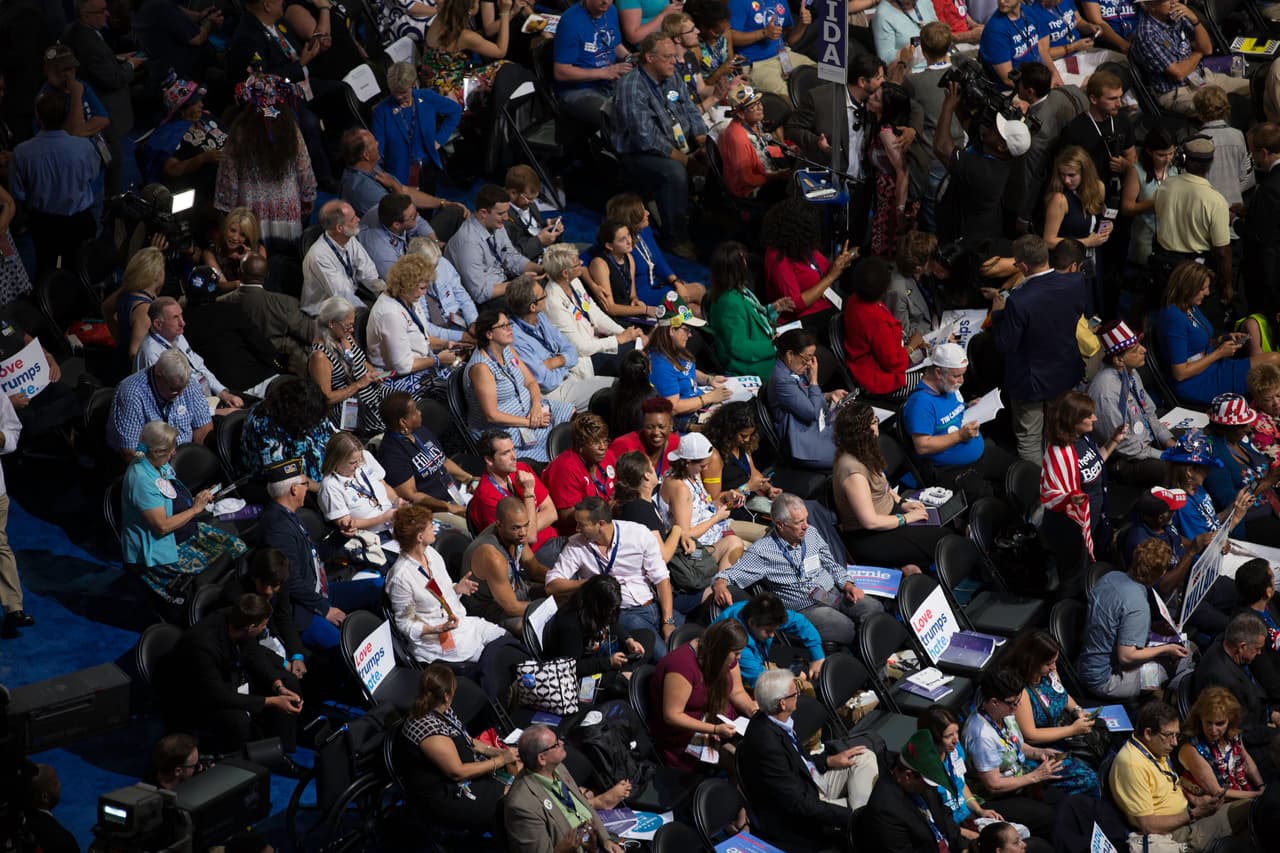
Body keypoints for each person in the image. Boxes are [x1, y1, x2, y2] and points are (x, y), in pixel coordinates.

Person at [711, 492, 883, 646]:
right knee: (845, 627)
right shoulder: (763, 551)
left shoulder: (811, 533)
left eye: (806, 519)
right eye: (799, 522)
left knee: (873, 608)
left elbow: (831, 564)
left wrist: (848, 585)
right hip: (805, 608)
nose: (806, 526)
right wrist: (719, 584)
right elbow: (730, 575)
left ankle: (875, 657)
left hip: (830, 594)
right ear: (780, 525)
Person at [738, 667, 875, 848]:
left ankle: (861, 821)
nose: (798, 694)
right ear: (782, 703)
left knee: (864, 756)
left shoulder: (775, 718)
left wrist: (828, 761)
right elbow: (798, 804)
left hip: (812, 779)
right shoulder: (766, 744)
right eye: (794, 692)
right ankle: (861, 823)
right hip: (805, 803)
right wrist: (848, 816)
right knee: (868, 811)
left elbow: (797, 760)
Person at [259, 458, 384, 651]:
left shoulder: (288, 515)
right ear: (294, 490)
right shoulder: (278, 528)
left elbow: (314, 555)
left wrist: (341, 535)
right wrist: (324, 608)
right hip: (304, 609)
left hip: (320, 590)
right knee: (349, 651)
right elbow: (289, 580)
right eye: (305, 484)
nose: (307, 488)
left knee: (379, 587)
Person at [158, 593, 303, 753]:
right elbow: (218, 695)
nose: (264, 629)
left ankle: (282, 751)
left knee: (288, 681)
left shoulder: (239, 619)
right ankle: (240, 761)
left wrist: (278, 687)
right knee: (238, 720)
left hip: (228, 676)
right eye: (263, 625)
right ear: (251, 627)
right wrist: (272, 701)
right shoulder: (203, 646)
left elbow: (254, 654)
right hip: (194, 697)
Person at [991, 235, 1089, 463]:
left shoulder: (1019, 300)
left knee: (1030, 439)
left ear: (1024, 266)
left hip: (1029, 383)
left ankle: (1037, 485)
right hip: (1064, 373)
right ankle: (1061, 477)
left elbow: (1005, 344)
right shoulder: (1075, 281)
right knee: (1059, 433)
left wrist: (998, 314)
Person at [609, 33, 708, 258]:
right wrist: (686, 160)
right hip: (638, 153)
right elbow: (646, 138)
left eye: (674, 56)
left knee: (714, 152)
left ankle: (704, 218)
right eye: (667, 57)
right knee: (675, 172)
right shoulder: (632, 86)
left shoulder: (672, 75)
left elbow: (690, 108)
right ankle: (675, 237)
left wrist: (702, 142)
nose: (674, 61)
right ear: (650, 58)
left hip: (676, 142)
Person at [546, 496, 685, 655]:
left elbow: (661, 578)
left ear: (600, 524)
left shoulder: (638, 534)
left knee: (692, 644)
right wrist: (591, 583)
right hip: (623, 613)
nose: (577, 529)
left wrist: (668, 620)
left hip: (654, 606)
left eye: (581, 524)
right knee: (665, 655)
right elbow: (551, 586)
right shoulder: (576, 546)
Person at [1109, 701, 1251, 851]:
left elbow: (1170, 783)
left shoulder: (1155, 747)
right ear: (1148, 733)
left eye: (1176, 735)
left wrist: (1195, 799)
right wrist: (1194, 813)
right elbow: (1148, 825)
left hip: (1188, 815)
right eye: (1169, 735)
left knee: (1252, 808)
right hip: (1173, 834)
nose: (1175, 743)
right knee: (1250, 812)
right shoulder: (1132, 764)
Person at [398, 664, 518, 833]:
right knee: (516, 799)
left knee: (520, 777)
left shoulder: (442, 709)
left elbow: (468, 740)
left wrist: (497, 752)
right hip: (447, 794)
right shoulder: (428, 730)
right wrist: (499, 761)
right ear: (446, 695)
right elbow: (457, 772)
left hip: (466, 776)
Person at [785, 53, 885, 247]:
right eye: (879, 78)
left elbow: (911, 106)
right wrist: (816, 143)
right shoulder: (820, 98)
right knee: (821, 243)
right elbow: (792, 129)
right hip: (823, 185)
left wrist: (912, 131)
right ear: (862, 82)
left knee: (854, 243)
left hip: (859, 187)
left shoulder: (877, 101)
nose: (883, 82)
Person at [831, 402, 948, 568]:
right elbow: (870, 522)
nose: (877, 425)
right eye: (873, 422)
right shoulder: (853, 472)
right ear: (861, 431)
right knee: (942, 541)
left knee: (943, 523)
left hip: (890, 514)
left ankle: (908, 566)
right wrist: (906, 518)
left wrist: (902, 502)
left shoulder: (864, 448)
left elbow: (883, 484)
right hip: (872, 535)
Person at [387, 506, 505, 665]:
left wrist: (457, 589)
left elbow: (440, 594)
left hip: (462, 623)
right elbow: (404, 623)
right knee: (495, 659)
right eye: (431, 527)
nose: (434, 529)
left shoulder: (431, 554)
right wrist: (437, 629)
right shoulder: (400, 578)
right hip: (437, 640)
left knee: (506, 639)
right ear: (420, 537)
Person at [1078, 538, 1191, 699]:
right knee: (1171, 664)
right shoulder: (1138, 605)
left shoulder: (1110, 577)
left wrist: (1152, 627)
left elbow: (1116, 621)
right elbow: (1126, 656)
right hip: (1105, 680)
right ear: (1160, 573)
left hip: (1086, 664)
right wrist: (1166, 648)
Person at [903, 342, 1015, 501]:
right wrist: (960, 436)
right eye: (956, 376)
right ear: (938, 372)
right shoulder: (920, 403)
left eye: (963, 374)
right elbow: (922, 446)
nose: (961, 380)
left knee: (1021, 471)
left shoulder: (947, 386)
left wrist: (967, 406)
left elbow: (949, 412)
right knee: (990, 503)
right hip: (953, 469)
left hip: (980, 453)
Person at [214, 73, 316, 246]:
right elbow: (303, 164)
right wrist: (307, 195)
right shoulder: (289, 127)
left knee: (255, 254)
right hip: (285, 207)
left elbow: (228, 173)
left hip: (252, 209)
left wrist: (227, 208)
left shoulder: (239, 131)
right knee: (287, 254)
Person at [1157, 262, 1280, 405]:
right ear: (1188, 288)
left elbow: (1196, 345)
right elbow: (1180, 373)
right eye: (1203, 289)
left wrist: (1222, 340)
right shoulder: (1173, 318)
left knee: (1274, 360)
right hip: (1198, 383)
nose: (1207, 293)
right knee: (1274, 359)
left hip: (1215, 367)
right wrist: (1219, 353)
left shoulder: (1191, 307)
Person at [960, 669, 1064, 838]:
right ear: (994, 702)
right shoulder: (981, 736)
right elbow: (993, 785)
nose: (1017, 707)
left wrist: (1039, 752)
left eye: (1018, 701)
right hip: (993, 798)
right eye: (1012, 703)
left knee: (1063, 801)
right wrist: (1035, 777)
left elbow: (1015, 745)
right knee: (1048, 818)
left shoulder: (1005, 713)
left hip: (1019, 779)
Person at [463, 311, 573, 462]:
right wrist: (530, 422)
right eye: (503, 326)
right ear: (489, 334)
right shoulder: (481, 367)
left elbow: (531, 382)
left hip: (530, 411)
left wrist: (536, 406)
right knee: (549, 457)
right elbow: (492, 415)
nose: (510, 328)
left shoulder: (507, 349)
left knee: (575, 418)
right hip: (505, 428)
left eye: (509, 323)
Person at [9, 89, 99, 273]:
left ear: (38, 116)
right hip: (79, 222)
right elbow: (92, 176)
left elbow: (18, 193)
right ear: (66, 115)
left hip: (43, 224)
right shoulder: (84, 147)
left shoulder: (21, 153)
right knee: (80, 271)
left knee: (46, 268)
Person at [648, 616, 756, 768]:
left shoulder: (724, 658)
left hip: (720, 720)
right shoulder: (681, 666)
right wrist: (715, 729)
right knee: (742, 761)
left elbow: (737, 692)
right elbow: (672, 716)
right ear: (721, 650)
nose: (739, 658)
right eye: (736, 653)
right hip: (687, 734)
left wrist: (753, 711)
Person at [1003, 630, 1101, 796]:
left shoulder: (1049, 672)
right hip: (1038, 751)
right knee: (1089, 779)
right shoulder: (1021, 691)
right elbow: (1031, 735)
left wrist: (1077, 710)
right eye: (1049, 663)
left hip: (1064, 733)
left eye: (1055, 662)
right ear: (1032, 662)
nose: (1054, 667)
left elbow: (1062, 694)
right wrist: (1072, 730)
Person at [1040, 390, 1123, 583]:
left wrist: (1114, 440)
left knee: (1089, 571)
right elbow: (1050, 494)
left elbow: (1094, 465)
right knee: (1074, 579)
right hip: (1072, 531)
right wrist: (1069, 498)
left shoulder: (1081, 438)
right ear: (1073, 420)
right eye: (1088, 415)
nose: (1095, 418)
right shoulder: (1059, 454)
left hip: (1093, 519)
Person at [933, 81, 1031, 244]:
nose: (991, 127)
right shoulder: (995, 151)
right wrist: (959, 96)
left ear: (1002, 146)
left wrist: (948, 107)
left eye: (997, 130)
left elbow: (941, 148)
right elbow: (969, 125)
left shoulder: (986, 173)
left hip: (964, 240)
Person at [505, 725, 622, 853]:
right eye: (556, 744)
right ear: (542, 758)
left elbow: (583, 806)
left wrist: (606, 840)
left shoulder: (558, 768)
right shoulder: (522, 805)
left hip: (595, 843)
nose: (562, 743)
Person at [1087, 320, 1176, 487]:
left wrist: (1170, 443)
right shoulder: (1105, 392)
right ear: (1118, 360)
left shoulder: (1131, 373)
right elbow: (1123, 445)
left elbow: (1149, 413)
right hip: (1124, 459)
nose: (1144, 350)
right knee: (1175, 470)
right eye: (1135, 350)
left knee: (1189, 447)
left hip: (1145, 443)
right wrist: (1165, 456)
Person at [506, 276, 613, 412]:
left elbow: (570, 349)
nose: (547, 296)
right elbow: (546, 381)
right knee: (616, 390)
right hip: (554, 392)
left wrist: (556, 361)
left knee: (619, 381)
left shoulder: (540, 317)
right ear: (532, 307)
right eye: (543, 295)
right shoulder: (515, 339)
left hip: (571, 374)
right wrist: (564, 364)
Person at [1128, 0, 1249, 117]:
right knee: (1218, 108)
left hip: (1203, 77)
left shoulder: (1178, 16)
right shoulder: (1146, 35)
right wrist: (1198, 53)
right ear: (1151, 5)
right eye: (1167, 0)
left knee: (1254, 87)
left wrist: (1195, 20)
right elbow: (1179, 73)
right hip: (1177, 92)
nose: (1174, 2)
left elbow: (1207, 49)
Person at [918, 706, 1018, 845]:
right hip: (951, 831)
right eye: (948, 736)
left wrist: (979, 810)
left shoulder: (954, 750)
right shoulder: (924, 772)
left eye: (956, 732)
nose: (956, 740)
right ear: (932, 738)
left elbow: (960, 782)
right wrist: (974, 836)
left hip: (969, 817)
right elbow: (937, 822)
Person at [541, 243, 644, 377]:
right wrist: (618, 339)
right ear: (565, 273)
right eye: (577, 264)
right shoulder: (553, 302)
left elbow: (595, 313)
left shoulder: (574, 282)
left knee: (639, 340)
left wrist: (624, 333)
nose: (582, 263)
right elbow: (580, 347)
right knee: (637, 355)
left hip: (597, 341)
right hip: (586, 359)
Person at [542, 574, 649, 699]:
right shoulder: (571, 625)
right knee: (625, 683)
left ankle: (626, 673)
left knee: (646, 637)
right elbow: (571, 667)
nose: (611, 614)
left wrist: (628, 640)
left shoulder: (599, 613)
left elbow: (612, 623)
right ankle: (622, 677)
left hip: (602, 655)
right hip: (583, 676)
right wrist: (608, 663)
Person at [377, 392, 472, 531]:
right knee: (473, 523)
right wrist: (450, 507)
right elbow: (411, 496)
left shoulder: (420, 430)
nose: (420, 412)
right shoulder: (392, 454)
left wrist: (469, 479)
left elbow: (443, 461)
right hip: (435, 508)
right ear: (403, 422)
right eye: (415, 411)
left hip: (456, 491)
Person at [1152, 139, 1235, 297]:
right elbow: (1223, 251)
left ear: (1183, 159)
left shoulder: (1166, 186)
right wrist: (1228, 285)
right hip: (1197, 273)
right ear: (1210, 163)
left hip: (1165, 268)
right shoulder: (1216, 201)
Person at [367, 254, 456, 397]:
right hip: (394, 377)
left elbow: (422, 338)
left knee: (461, 377)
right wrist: (437, 360)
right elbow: (403, 366)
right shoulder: (390, 314)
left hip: (421, 365)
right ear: (405, 286)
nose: (424, 293)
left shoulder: (410, 298)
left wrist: (446, 343)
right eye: (421, 288)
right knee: (448, 393)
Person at [862, 729, 967, 852]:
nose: (930, 788)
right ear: (908, 775)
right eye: (927, 784)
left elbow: (943, 815)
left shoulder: (920, 783)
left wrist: (963, 847)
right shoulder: (886, 810)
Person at [760, 198, 857, 330]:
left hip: (825, 305)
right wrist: (830, 277)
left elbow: (822, 270)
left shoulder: (802, 246)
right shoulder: (778, 259)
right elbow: (794, 304)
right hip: (801, 319)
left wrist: (838, 264)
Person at [134, 297, 246, 410]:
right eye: (175, 318)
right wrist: (215, 412)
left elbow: (199, 368)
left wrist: (223, 393)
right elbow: (169, 404)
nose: (182, 323)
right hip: (188, 410)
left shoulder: (177, 336)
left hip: (206, 399)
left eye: (181, 315)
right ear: (158, 324)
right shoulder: (151, 354)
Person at [662, 432, 751, 568]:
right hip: (694, 552)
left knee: (761, 536)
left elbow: (704, 506)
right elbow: (685, 535)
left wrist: (726, 498)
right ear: (687, 462)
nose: (706, 469)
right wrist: (716, 518)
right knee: (736, 544)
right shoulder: (680, 488)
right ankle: (720, 581)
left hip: (714, 530)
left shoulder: (692, 474)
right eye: (703, 466)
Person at [1192, 613, 1280, 752]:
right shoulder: (1223, 679)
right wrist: (1276, 734)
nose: (1259, 653)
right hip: (1242, 742)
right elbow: (1242, 730)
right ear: (1241, 646)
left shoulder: (1225, 642)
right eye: (1257, 649)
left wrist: (1271, 714)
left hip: (1258, 715)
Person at [463, 495, 550, 632]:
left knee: (563, 593)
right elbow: (512, 608)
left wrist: (558, 580)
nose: (523, 532)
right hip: (491, 610)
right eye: (516, 528)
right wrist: (550, 606)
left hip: (517, 591)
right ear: (499, 525)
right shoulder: (491, 555)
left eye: (526, 525)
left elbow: (534, 569)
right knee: (535, 629)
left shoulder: (516, 536)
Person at [445, 184, 541, 308]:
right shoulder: (468, 243)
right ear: (483, 213)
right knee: (534, 299)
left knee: (546, 283)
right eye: (501, 214)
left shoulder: (495, 225)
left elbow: (511, 257)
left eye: (507, 212)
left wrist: (539, 268)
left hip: (504, 282)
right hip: (486, 301)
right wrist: (517, 284)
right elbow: (480, 293)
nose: (506, 218)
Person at [467, 430, 561, 557]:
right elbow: (529, 537)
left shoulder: (521, 469)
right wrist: (528, 493)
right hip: (532, 556)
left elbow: (552, 512)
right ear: (489, 460)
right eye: (506, 453)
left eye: (513, 450)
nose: (514, 457)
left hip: (554, 540)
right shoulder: (486, 498)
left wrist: (531, 526)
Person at [705, 241, 791, 380]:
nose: (746, 263)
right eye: (743, 260)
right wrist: (774, 345)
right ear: (735, 268)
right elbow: (739, 348)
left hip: (765, 354)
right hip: (753, 368)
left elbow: (750, 317)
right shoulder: (730, 302)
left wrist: (773, 309)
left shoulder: (738, 292)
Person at [339, 128, 465, 221]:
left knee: (455, 210)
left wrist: (443, 203)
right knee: (457, 215)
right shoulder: (363, 189)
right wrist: (395, 186)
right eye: (374, 142)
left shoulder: (370, 166)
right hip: (400, 234)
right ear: (366, 155)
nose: (378, 143)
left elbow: (405, 190)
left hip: (407, 219)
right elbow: (403, 218)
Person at [1202, 393, 1280, 545]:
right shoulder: (1213, 457)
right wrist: (1267, 481)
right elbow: (1231, 503)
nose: (1248, 428)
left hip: (1272, 503)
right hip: (1251, 520)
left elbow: (1260, 472)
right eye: (1242, 425)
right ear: (1225, 428)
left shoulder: (1240, 440)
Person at [371, 61, 462, 190]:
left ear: (413, 84)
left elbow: (455, 111)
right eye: (395, 92)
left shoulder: (426, 98)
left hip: (427, 167)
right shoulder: (381, 111)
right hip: (398, 173)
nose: (398, 97)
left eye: (403, 92)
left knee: (428, 198)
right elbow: (377, 149)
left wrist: (439, 140)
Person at [217, 548, 306, 679]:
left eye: (274, 586)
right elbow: (246, 642)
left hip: (272, 641)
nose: (269, 591)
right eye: (264, 584)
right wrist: (282, 663)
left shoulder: (280, 584)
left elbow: (284, 619)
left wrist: (297, 656)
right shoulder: (236, 596)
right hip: (251, 651)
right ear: (255, 577)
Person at [605, 192, 705, 308]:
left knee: (694, 308)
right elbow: (588, 258)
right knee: (698, 290)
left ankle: (695, 318)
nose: (647, 213)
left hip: (656, 285)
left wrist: (676, 282)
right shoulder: (618, 244)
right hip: (642, 297)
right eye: (642, 211)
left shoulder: (644, 231)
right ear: (632, 219)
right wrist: (594, 287)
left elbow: (659, 262)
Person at [106, 350, 213, 458]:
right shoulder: (132, 393)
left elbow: (203, 428)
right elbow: (130, 451)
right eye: (174, 389)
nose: (180, 394)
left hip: (184, 457)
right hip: (147, 462)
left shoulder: (188, 383)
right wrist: (164, 467)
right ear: (159, 376)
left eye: (183, 388)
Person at [220, 254, 313, 377]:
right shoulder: (285, 303)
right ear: (267, 275)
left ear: (239, 273)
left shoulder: (220, 304)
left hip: (236, 371)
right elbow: (311, 334)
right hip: (280, 370)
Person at [308, 297, 390, 436]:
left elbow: (361, 361)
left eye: (352, 325)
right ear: (332, 323)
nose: (351, 330)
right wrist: (358, 384)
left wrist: (375, 374)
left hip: (372, 390)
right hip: (349, 406)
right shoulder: (320, 356)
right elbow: (326, 399)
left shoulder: (345, 336)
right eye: (348, 326)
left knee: (401, 403)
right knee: (388, 423)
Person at [767, 328, 847, 470]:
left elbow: (805, 399)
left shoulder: (793, 368)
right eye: (806, 358)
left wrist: (828, 395)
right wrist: (814, 381)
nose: (809, 363)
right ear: (790, 354)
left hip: (818, 429)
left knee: (861, 439)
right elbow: (812, 412)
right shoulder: (782, 380)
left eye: (811, 358)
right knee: (852, 456)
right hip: (804, 443)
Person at [648, 292, 731, 426]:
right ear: (672, 330)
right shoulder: (660, 364)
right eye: (686, 329)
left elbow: (684, 371)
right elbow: (673, 407)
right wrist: (709, 397)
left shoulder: (677, 350)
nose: (690, 335)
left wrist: (708, 379)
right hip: (688, 423)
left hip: (700, 407)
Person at [843, 256, 921, 400]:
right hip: (875, 380)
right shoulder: (877, 322)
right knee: (930, 382)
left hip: (862, 366)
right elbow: (894, 364)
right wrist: (912, 346)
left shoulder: (855, 299)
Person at [1043, 144, 1112, 307]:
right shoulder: (1059, 199)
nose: (1066, 180)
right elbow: (1048, 241)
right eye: (1062, 175)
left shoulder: (1099, 188)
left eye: (1071, 175)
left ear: (1085, 173)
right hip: (1069, 266)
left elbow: (1098, 218)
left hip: (1094, 260)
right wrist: (1086, 242)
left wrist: (1107, 227)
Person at [713, 592, 825, 689]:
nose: (772, 635)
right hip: (738, 680)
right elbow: (761, 681)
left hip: (761, 661)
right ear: (751, 623)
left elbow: (800, 622)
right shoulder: (737, 645)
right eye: (768, 631)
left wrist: (817, 656)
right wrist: (794, 678)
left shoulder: (762, 614)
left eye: (775, 630)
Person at [142, 73, 225, 197]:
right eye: (195, 102)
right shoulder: (170, 135)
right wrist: (203, 158)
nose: (201, 104)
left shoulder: (206, 117)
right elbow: (172, 169)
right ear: (182, 109)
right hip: (207, 187)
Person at [553, 0, 633, 127]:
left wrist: (630, 58)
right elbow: (561, 72)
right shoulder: (570, 21)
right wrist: (604, 72)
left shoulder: (611, 10)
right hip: (578, 90)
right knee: (621, 116)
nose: (606, 1)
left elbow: (615, 45)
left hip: (608, 81)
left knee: (643, 100)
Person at [241, 378, 334, 485]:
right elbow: (285, 479)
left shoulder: (312, 406)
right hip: (285, 487)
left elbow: (330, 437)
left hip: (326, 478)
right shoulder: (264, 425)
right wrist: (323, 489)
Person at [1178, 686, 1265, 800]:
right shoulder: (1191, 748)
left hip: (1244, 793)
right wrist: (1258, 795)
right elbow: (1217, 792)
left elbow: (1246, 762)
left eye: (1220, 723)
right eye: (1208, 723)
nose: (1213, 730)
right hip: (1217, 803)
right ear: (1200, 718)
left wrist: (1261, 786)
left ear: (1230, 720)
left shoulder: (1233, 734)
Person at [420, 0, 512, 106]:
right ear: (469, 9)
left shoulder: (441, 17)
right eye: (477, 1)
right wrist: (505, 12)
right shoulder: (465, 36)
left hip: (430, 81)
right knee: (504, 66)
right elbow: (500, 51)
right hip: (448, 92)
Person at [301, 200, 384, 316]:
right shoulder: (319, 256)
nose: (358, 219)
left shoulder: (349, 239)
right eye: (353, 219)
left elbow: (368, 272)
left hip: (350, 300)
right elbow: (343, 297)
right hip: (325, 313)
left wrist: (385, 293)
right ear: (340, 228)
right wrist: (368, 316)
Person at [318, 431, 404, 541]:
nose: (358, 465)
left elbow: (383, 484)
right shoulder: (330, 486)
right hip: (372, 537)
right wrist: (383, 518)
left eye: (359, 460)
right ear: (336, 461)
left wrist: (397, 501)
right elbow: (347, 525)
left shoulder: (365, 457)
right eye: (352, 463)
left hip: (395, 523)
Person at [866, 82, 918, 258]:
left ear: (886, 108)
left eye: (876, 98)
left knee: (889, 250)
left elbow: (903, 172)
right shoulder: (879, 124)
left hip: (893, 199)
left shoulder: (886, 133)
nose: (870, 97)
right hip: (884, 196)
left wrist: (899, 211)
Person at [542, 413, 616, 535]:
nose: (603, 447)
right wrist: (605, 510)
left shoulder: (608, 456)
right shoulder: (565, 469)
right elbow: (566, 517)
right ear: (580, 445)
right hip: (578, 534)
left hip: (607, 524)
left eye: (605, 440)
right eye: (595, 442)